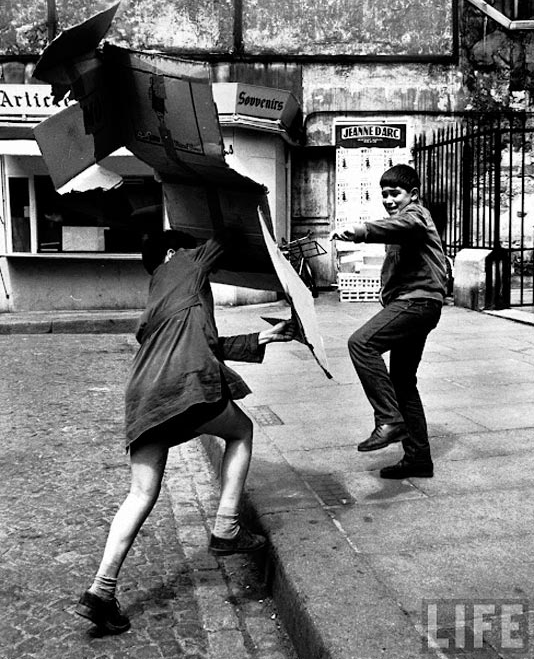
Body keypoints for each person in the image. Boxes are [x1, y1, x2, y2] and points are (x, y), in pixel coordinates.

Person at [75, 229, 295, 635]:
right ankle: (227, 526)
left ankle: (100, 591)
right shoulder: (183, 264)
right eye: (190, 249)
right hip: (183, 386)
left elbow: (206, 343)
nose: (199, 256)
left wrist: (265, 335)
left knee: (140, 494)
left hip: (143, 396)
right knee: (242, 430)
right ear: (174, 252)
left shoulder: (162, 295)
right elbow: (223, 236)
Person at [331, 164, 447, 480]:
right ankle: (418, 459)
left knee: (361, 343)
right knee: (403, 382)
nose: (388, 199)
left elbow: (397, 226)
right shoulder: (404, 223)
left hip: (417, 303)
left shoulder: (416, 215)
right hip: (417, 305)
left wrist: (360, 232)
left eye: (394, 193)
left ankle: (388, 419)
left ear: (413, 194)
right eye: (384, 194)